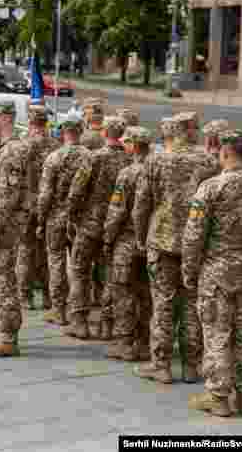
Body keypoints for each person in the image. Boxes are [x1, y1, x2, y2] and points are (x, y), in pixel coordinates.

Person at [184, 130, 242, 417]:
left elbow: (193, 236)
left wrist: (189, 270)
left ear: (224, 153)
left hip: (217, 273)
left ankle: (219, 397)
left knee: (217, 332)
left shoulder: (210, 188)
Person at [132, 114, 214, 385]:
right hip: (196, 244)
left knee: (163, 304)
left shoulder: (156, 160)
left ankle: (162, 365)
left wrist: (141, 237)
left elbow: (142, 204)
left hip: (162, 240)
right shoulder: (207, 161)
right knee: (192, 304)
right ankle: (192, 365)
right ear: (189, 131)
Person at [64, 116, 133, 340]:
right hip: (117, 228)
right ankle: (107, 325)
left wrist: (72, 217)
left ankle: (79, 321)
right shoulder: (130, 161)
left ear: (105, 133)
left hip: (89, 225)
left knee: (80, 271)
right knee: (109, 276)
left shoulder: (93, 158)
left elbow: (76, 191)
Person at [0, 100, 34, 358]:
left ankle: (8, 338)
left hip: (1, 228)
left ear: (6, 118)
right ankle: (4, 330)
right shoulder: (5, 149)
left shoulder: (12, 151)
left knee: (4, 282)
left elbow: (7, 195)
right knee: (0, 280)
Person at [102, 126, 154, 361]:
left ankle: (125, 342)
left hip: (127, 241)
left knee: (122, 292)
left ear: (133, 145)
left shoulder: (128, 173)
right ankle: (144, 342)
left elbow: (117, 211)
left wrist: (108, 238)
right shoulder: (157, 170)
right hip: (151, 242)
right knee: (146, 294)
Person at [36, 115, 92, 326]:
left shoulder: (54, 158)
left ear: (62, 132)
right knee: (80, 267)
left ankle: (58, 310)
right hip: (81, 219)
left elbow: (45, 194)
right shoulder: (90, 157)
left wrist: (41, 219)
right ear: (80, 131)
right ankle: (79, 312)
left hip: (56, 218)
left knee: (56, 262)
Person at [16, 105, 60, 311]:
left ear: (30, 121)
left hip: (25, 205)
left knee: (25, 250)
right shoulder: (55, 145)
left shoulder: (22, 145)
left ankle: (24, 296)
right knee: (46, 251)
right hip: (49, 206)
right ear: (45, 121)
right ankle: (48, 296)